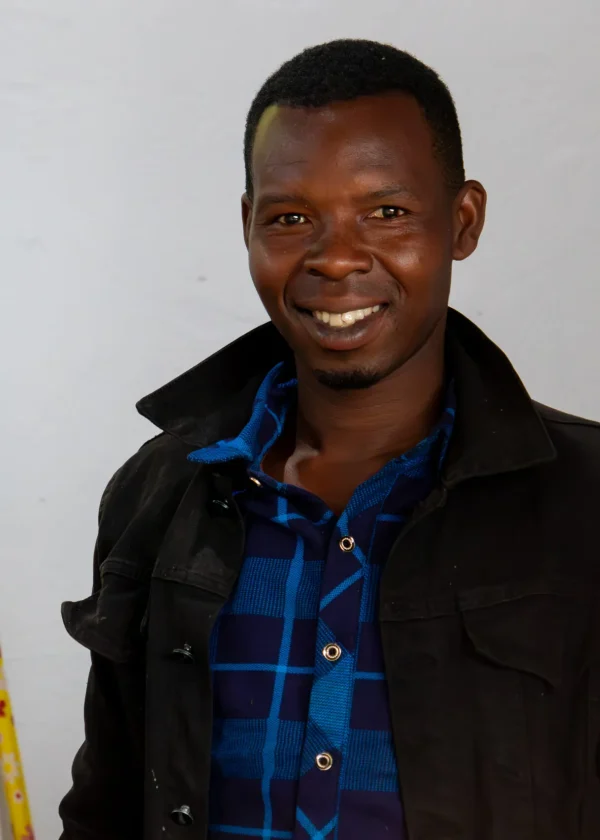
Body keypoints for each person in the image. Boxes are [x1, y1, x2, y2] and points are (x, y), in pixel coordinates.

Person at [59, 39, 600, 840]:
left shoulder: (585, 499)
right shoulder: (163, 490)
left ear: (462, 220)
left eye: (386, 212)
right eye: (291, 217)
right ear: (248, 226)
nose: (337, 258)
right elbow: (106, 804)